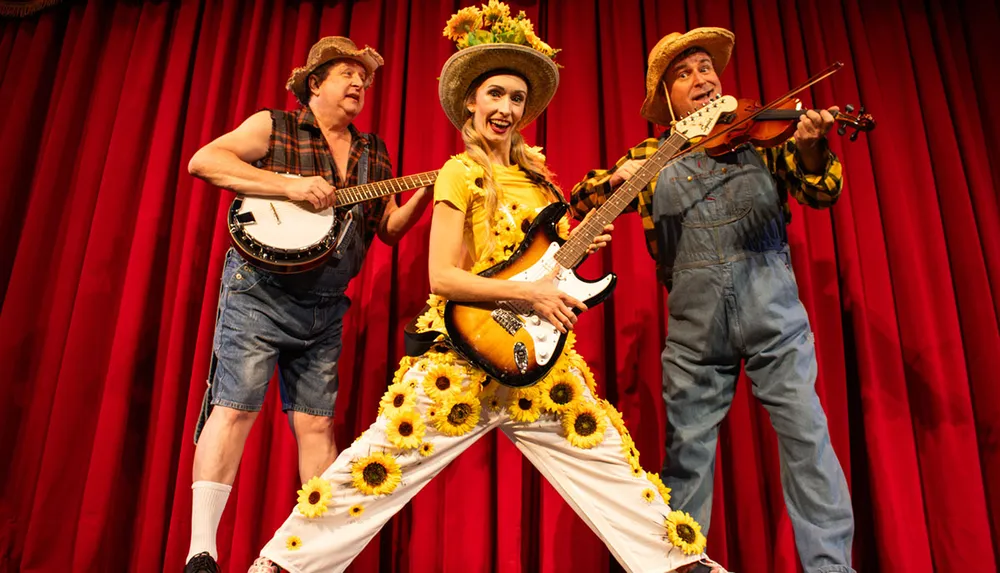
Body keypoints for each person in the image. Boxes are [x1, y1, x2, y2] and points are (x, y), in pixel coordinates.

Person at [246, 5, 725, 573]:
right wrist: (533, 295)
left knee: (614, 471)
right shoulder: (459, 171)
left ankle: (683, 566)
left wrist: (575, 254)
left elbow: (547, 264)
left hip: (538, 364)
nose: (505, 109)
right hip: (462, 358)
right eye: (495, 94)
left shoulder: (541, 178)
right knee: (370, 472)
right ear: (471, 101)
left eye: (517, 99)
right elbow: (441, 278)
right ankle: (278, 567)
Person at [571, 27, 855, 573]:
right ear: (667, 100)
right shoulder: (652, 154)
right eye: (684, 74)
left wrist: (814, 144)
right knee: (687, 460)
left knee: (808, 445)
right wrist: (615, 179)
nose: (701, 79)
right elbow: (582, 197)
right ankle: (680, 567)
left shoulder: (761, 136)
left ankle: (830, 568)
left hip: (776, 322)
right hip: (695, 336)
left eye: (705, 67)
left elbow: (822, 192)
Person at [183, 36, 433, 573]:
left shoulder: (375, 151)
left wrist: (431, 191)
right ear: (314, 83)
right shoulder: (272, 126)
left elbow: (387, 229)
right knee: (236, 408)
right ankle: (201, 551)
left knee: (317, 425)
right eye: (346, 72)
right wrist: (286, 187)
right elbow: (205, 162)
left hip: (325, 306)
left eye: (364, 77)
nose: (359, 83)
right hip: (261, 292)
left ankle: (311, 555)